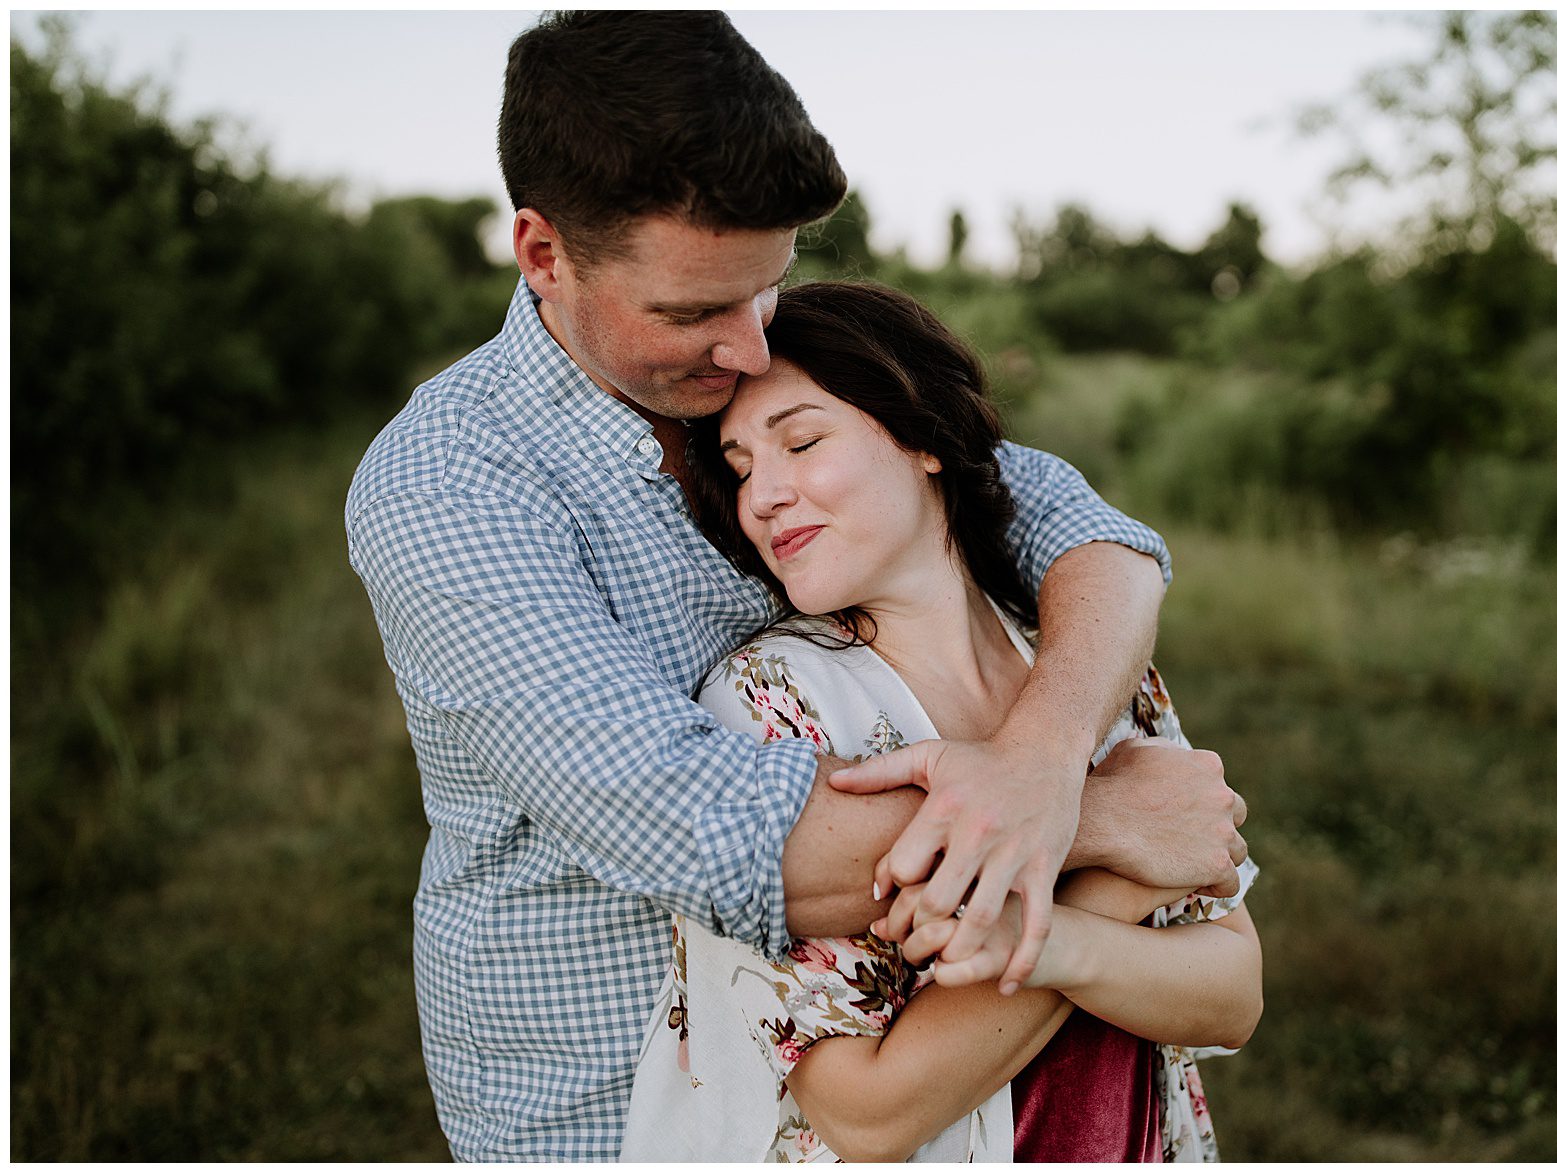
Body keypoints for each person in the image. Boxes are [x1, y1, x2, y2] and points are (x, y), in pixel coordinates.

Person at [345, 11, 1245, 1160]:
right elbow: (712, 832)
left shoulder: (753, 376)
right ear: (543, 254)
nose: (749, 349)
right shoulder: (451, 488)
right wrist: (1114, 819)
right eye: (693, 310)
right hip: (615, 1110)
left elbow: (1084, 533)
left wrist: (1042, 760)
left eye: (767, 288)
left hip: (939, 1060)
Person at [618, 281, 1261, 1162]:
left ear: (920, 435)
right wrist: (1126, 858)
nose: (762, 494)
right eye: (738, 468)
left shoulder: (1084, 661)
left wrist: (1042, 937)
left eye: (801, 441)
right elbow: (870, 1110)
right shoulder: (770, 704)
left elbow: (1232, 993)